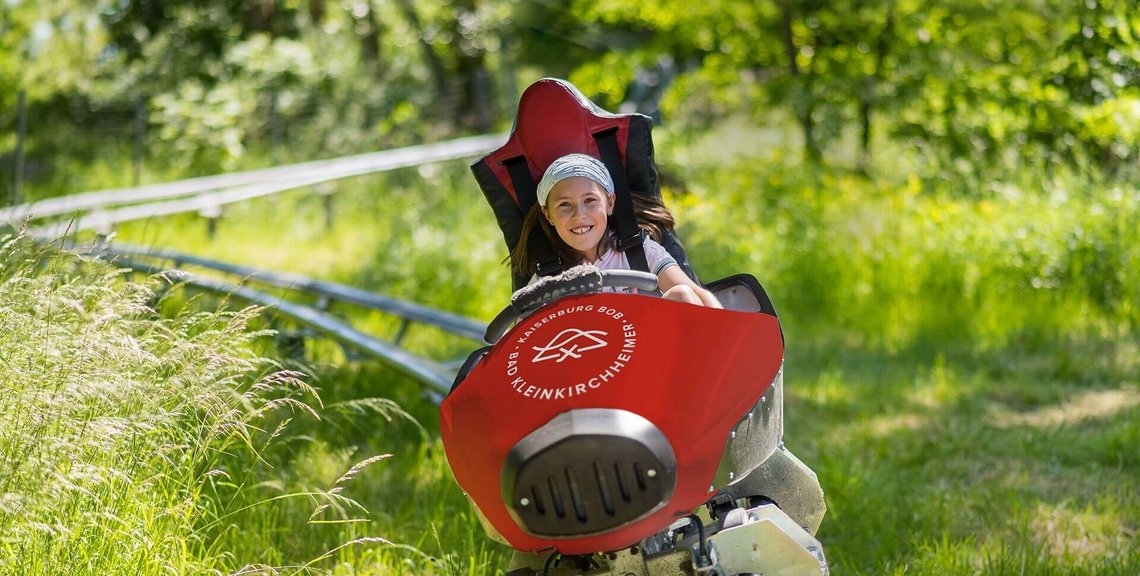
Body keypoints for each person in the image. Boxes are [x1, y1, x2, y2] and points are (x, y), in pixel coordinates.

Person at [509, 153, 722, 308]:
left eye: (590, 200)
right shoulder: (547, 280)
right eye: (565, 204)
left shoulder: (639, 252)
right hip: (594, 360)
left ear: (610, 203)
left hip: (655, 348)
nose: (579, 214)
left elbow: (697, 295)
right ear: (548, 215)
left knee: (683, 293)